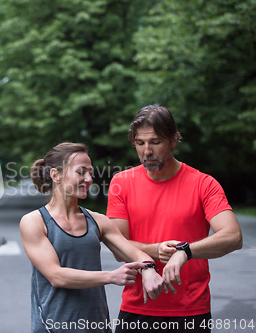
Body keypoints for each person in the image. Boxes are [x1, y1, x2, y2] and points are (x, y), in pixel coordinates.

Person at [107, 104, 243, 333]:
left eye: (155, 142)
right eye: (140, 143)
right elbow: (117, 247)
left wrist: (184, 251)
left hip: (191, 313)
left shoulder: (203, 184)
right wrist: (154, 251)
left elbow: (233, 236)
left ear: (174, 140)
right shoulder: (122, 182)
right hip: (137, 309)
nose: (146, 151)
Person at [20, 142, 164, 333]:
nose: (88, 179)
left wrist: (148, 269)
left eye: (90, 172)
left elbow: (135, 254)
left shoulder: (98, 221)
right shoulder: (34, 222)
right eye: (81, 172)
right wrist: (112, 276)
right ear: (56, 175)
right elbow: (57, 276)